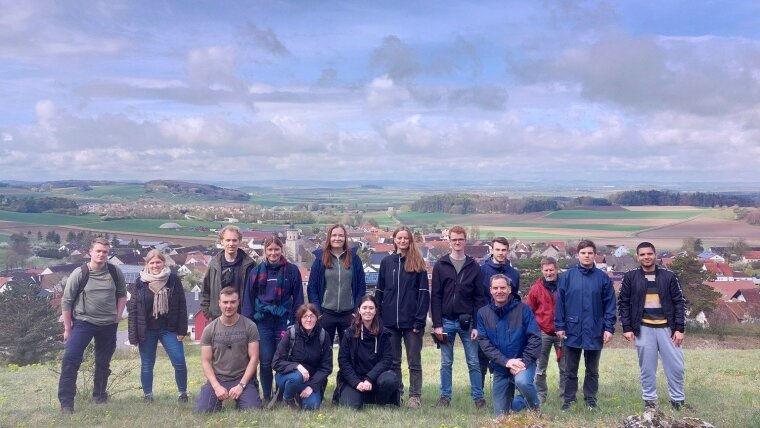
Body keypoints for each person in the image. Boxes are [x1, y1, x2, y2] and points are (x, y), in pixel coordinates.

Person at [58, 237, 127, 414]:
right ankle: (66, 403)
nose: (101, 254)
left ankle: (100, 397)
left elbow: (122, 294)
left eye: (105, 251)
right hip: (83, 323)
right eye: (98, 251)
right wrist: (67, 329)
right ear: (90, 252)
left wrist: (118, 317)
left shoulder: (114, 271)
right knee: (70, 360)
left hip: (108, 325)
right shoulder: (80, 273)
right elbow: (66, 302)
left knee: (103, 363)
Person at [618, 242, 687, 410]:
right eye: (642, 254)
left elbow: (679, 302)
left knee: (676, 367)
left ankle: (677, 402)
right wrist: (627, 328)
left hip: (668, 330)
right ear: (637, 256)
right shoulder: (630, 277)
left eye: (649, 254)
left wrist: (679, 328)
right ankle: (650, 403)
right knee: (647, 369)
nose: (646, 257)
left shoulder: (669, 276)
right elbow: (623, 303)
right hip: (643, 329)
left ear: (655, 255)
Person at [555, 240, 616, 411]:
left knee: (592, 370)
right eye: (583, 253)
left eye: (590, 253)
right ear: (577, 255)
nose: (587, 256)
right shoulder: (568, 276)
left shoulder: (602, 278)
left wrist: (609, 328)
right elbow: (560, 303)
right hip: (572, 330)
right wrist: (559, 326)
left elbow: (610, 305)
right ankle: (569, 400)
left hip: (595, 330)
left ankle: (591, 400)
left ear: (594, 254)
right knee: (570, 370)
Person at [431, 226, 487, 409]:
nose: (457, 242)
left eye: (460, 239)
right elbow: (436, 296)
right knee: (446, 362)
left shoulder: (474, 266)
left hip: (468, 322)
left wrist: (478, 326)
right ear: (449, 241)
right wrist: (437, 324)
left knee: (473, 362)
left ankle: (478, 398)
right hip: (446, 321)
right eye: (454, 239)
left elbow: (479, 298)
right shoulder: (440, 265)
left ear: (465, 241)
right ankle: (444, 397)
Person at [242, 236, 304, 401]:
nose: (273, 253)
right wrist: (247, 322)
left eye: (276, 249)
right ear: (265, 251)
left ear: (281, 250)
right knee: (266, 361)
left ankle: (282, 393)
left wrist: (298, 320)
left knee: (283, 359)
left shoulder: (292, 271)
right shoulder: (256, 271)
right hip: (263, 321)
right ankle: (268, 395)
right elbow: (248, 297)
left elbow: (298, 298)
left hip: (284, 320)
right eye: (270, 249)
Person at [374, 226, 429, 409]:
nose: (403, 241)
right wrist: (379, 317)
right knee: (393, 362)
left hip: (412, 323)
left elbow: (423, 293)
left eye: (406, 238)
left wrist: (419, 320)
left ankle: (415, 396)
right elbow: (380, 291)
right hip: (389, 323)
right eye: (399, 238)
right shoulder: (387, 262)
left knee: (414, 361)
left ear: (410, 240)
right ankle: (397, 394)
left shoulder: (417, 262)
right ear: (394, 239)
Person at [128, 249, 189, 403]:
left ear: (163, 262)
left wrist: (182, 330)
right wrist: (133, 336)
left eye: (158, 262)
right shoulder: (140, 282)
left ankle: (183, 393)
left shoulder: (173, 279)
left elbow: (182, 304)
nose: (155, 265)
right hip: (147, 330)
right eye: (152, 262)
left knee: (179, 361)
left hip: (170, 328)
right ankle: (148, 396)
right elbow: (133, 309)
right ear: (147, 264)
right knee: (147, 364)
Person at [478, 274, 541, 415]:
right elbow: (484, 343)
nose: (499, 291)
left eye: (502, 287)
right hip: (501, 367)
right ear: (490, 290)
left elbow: (535, 338)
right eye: (495, 288)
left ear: (509, 289)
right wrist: (506, 362)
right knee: (500, 417)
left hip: (523, 364)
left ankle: (535, 409)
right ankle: (519, 403)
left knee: (523, 382)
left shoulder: (524, 310)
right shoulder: (482, 313)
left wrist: (522, 362)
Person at [194, 287, 261, 413]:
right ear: (219, 303)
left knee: (253, 410)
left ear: (238, 302)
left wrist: (241, 385)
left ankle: (244, 396)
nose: (229, 306)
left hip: (241, 378)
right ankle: (215, 400)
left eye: (232, 302)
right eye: (225, 302)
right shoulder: (209, 329)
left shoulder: (250, 326)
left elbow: (254, 359)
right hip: (218, 378)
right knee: (202, 411)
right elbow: (205, 362)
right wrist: (216, 386)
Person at [307, 224, 367, 346]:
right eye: (334, 235)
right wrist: (318, 311)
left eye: (341, 235)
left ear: (345, 238)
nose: (337, 238)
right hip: (325, 314)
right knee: (323, 352)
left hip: (348, 315)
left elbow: (361, 286)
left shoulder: (354, 259)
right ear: (329, 238)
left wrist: (356, 310)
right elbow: (312, 287)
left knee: (350, 353)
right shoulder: (320, 259)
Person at [336, 296, 400, 410]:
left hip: (376, 378)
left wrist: (369, 378)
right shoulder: (349, 333)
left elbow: (387, 360)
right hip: (354, 379)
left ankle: (378, 401)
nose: (367, 311)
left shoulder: (384, 333)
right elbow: (343, 361)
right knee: (350, 407)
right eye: (364, 308)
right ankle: (359, 396)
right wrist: (356, 383)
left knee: (391, 380)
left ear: (376, 311)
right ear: (359, 310)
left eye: (371, 308)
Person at [272, 303, 333, 410]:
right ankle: (288, 397)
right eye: (305, 316)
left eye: (312, 316)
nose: (308, 320)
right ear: (300, 318)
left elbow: (326, 367)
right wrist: (297, 366)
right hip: (288, 376)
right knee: (296, 377)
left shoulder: (323, 336)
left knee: (311, 407)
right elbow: (276, 362)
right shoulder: (290, 334)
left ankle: (299, 396)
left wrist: (312, 386)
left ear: (317, 318)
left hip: (311, 380)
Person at [479, 236, 521, 388]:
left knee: (507, 354)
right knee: (482, 357)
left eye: (504, 250)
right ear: (492, 250)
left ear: (508, 251)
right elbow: (479, 296)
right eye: (497, 249)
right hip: (487, 318)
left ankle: (508, 388)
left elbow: (515, 297)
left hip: (508, 321)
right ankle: (479, 395)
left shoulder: (514, 273)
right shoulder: (482, 271)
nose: (501, 253)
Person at [525, 257, 566, 404]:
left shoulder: (565, 285)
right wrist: (533, 330)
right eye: (546, 270)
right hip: (543, 332)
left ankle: (564, 397)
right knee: (540, 368)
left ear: (556, 269)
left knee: (565, 369)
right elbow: (529, 311)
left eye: (551, 270)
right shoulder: (536, 289)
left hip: (563, 333)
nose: (549, 273)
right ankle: (541, 396)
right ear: (542, 270)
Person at [200, 225, 256, 321]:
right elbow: (205, 291)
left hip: (243, 319)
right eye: (228, 240)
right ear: (222, 241)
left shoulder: (250, 265)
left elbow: (256, 292)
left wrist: (252, 315)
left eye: (234, 240)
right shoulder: (214, 265)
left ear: (239, 241)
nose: (231, 243)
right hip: (218, 318)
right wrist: (208, 314)